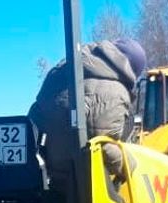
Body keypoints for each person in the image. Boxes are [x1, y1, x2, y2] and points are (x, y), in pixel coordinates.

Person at [28, 38, 146, 192]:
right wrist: (130, 165)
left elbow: (35, 116)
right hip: (77, 186)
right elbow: (101, 146)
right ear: (133, 69)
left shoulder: (62, 70)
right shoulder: (115, 92)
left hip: (42, 176)